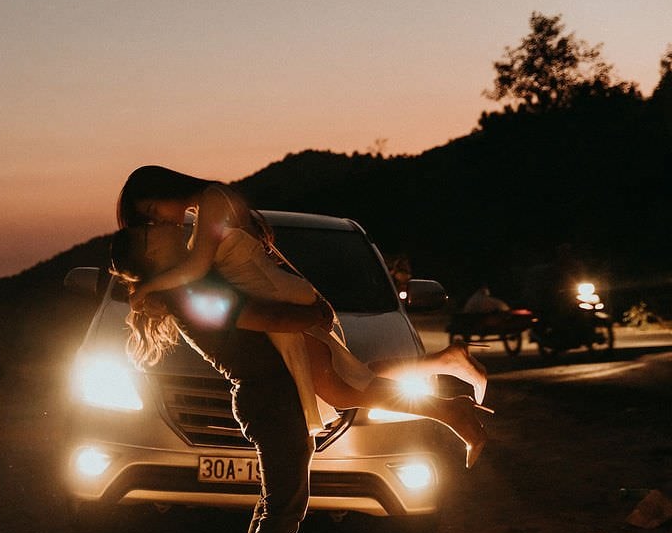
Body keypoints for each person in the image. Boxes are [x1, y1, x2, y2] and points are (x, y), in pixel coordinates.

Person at [110, 224, 491, 533]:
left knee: (279, 499)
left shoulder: (188, 284)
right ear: (150, 256)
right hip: (269, 400)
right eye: (152, 234)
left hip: (278, 393)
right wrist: (311, 314)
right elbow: (254, 316)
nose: (165, 229)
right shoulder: (188, 296)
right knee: (284, 506)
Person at [116, 165, 490, 444]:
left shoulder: (212, 200)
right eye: (149, 220)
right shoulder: (207, 208)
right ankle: (446, 364)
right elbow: (257, 256)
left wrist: (146, 287)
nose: (157, 220)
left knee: (339, 390)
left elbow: (197, 269)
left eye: (152, 209)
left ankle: (449, 411)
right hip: (274, 289)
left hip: (274, 295)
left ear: (163, 188)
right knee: (351, 376)